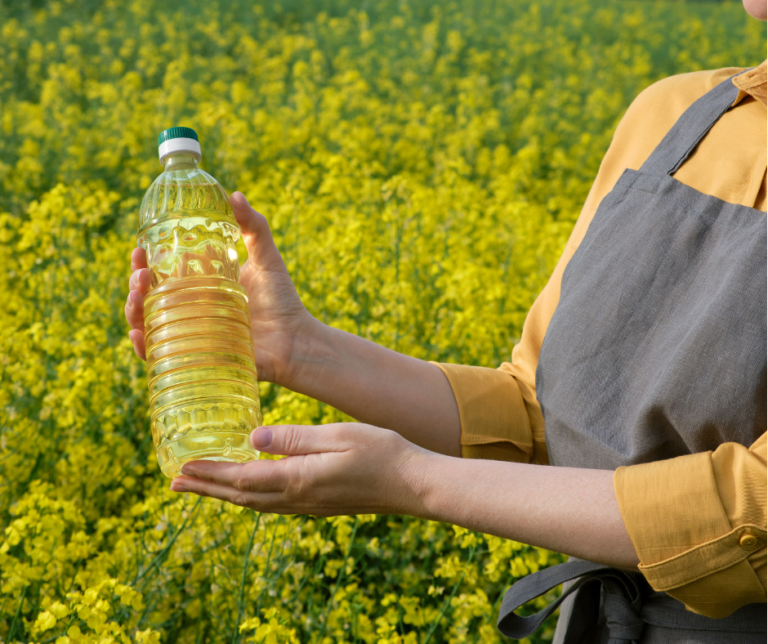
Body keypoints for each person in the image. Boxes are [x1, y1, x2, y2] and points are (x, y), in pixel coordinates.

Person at [125, 1, 767, 640]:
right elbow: (538, 414)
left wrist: (415, 481)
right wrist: (298, 347)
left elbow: (753, 509)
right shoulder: (674, 113)